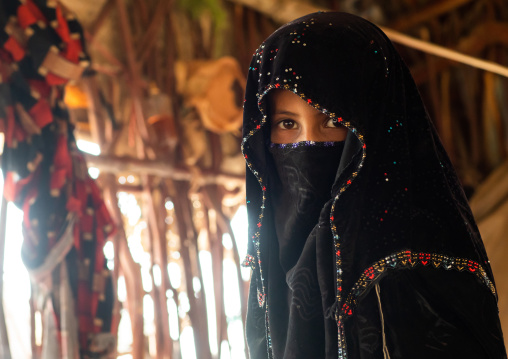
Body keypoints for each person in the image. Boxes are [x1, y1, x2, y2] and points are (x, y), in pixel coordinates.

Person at [241, 11, 507, 359]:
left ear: (376, 126)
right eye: (287, 123)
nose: (308, 144)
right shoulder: (271, 270)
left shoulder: (415, 273)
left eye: (333, 121)